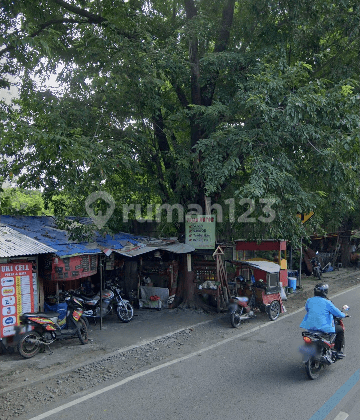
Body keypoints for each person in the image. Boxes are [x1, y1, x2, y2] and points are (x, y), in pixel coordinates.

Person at [300, 283, 347, 358]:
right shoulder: (327, 302)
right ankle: (338, 351)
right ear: (325, 292)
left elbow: (307, 309)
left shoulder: (309, 300)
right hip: (323, 328)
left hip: (310, 327)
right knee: (340, 329)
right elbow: (338, 313)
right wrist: (344, 315)